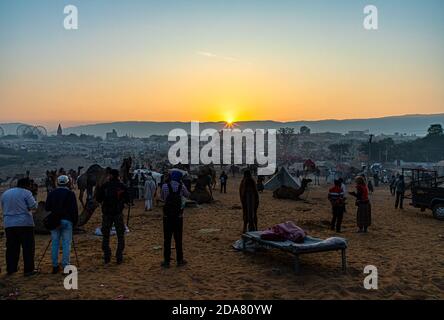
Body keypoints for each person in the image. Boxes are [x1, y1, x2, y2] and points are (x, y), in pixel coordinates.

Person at [1, 178, 38, 276]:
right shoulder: (26, 193)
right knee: (28, 247)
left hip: (9, 224)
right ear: (27, 185)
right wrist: (35, 197)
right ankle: (29, 270)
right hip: (24, 223)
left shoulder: (6, 193)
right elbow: (33, 206)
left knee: (11, 248)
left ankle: (11, 269)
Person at [45, 175, 79, 274]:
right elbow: (74, 210)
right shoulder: (70, 193)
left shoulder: (52, 193)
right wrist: (75, 222)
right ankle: (66, 266)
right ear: (67, 182)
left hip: (54, 221)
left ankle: (55, 266)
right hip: (67, 221)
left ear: (58, 183)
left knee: (55, 243)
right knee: (66, 244)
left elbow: (47, 208)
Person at [95, 169, 130, 264]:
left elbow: (98, 198)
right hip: (118, 214)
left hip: (107, 214)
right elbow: (128, 199)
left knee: (105, 236)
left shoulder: (105, 186)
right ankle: (119, 257)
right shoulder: (122, 186)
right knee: (120, 236)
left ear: (111, 176)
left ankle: (107, 256)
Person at [160, 171, 190, 268]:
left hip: (167, 217)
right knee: (178, 239)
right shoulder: (182, 186)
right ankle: (179, 260)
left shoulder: (165, 186)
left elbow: (163, 198)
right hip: (178, 217)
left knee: (167, 239)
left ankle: (167, 261)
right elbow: (187, 195)